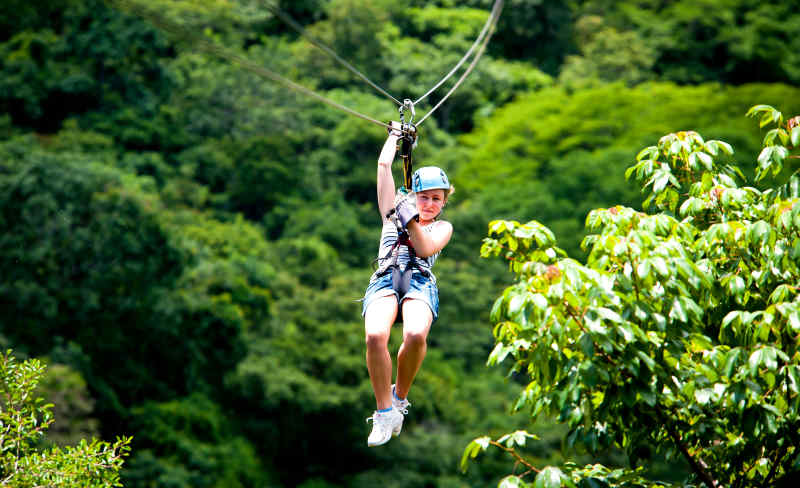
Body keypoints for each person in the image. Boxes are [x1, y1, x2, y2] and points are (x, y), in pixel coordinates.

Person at [362, 121, 454, 447]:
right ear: (413, 194)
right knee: (375, 336)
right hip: (386, 276)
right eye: (424, 197)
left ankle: (399, 398)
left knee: (415, 334)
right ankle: (384, 411)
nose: (429, 204)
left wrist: (410, 219)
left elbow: (426, 248)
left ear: (443, 203)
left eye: (436, 199)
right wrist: (394, 136)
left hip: (419, 281)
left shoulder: (442, 227)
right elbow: (384, 166)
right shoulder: (391, 212)